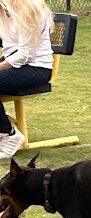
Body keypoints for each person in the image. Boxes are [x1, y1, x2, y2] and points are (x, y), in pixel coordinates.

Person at [0, 0, 53, 158]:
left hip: (36, 68)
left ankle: (8, 133)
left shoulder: (29, 9)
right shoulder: (5, 9)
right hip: (14, 62)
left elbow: (25, 55)